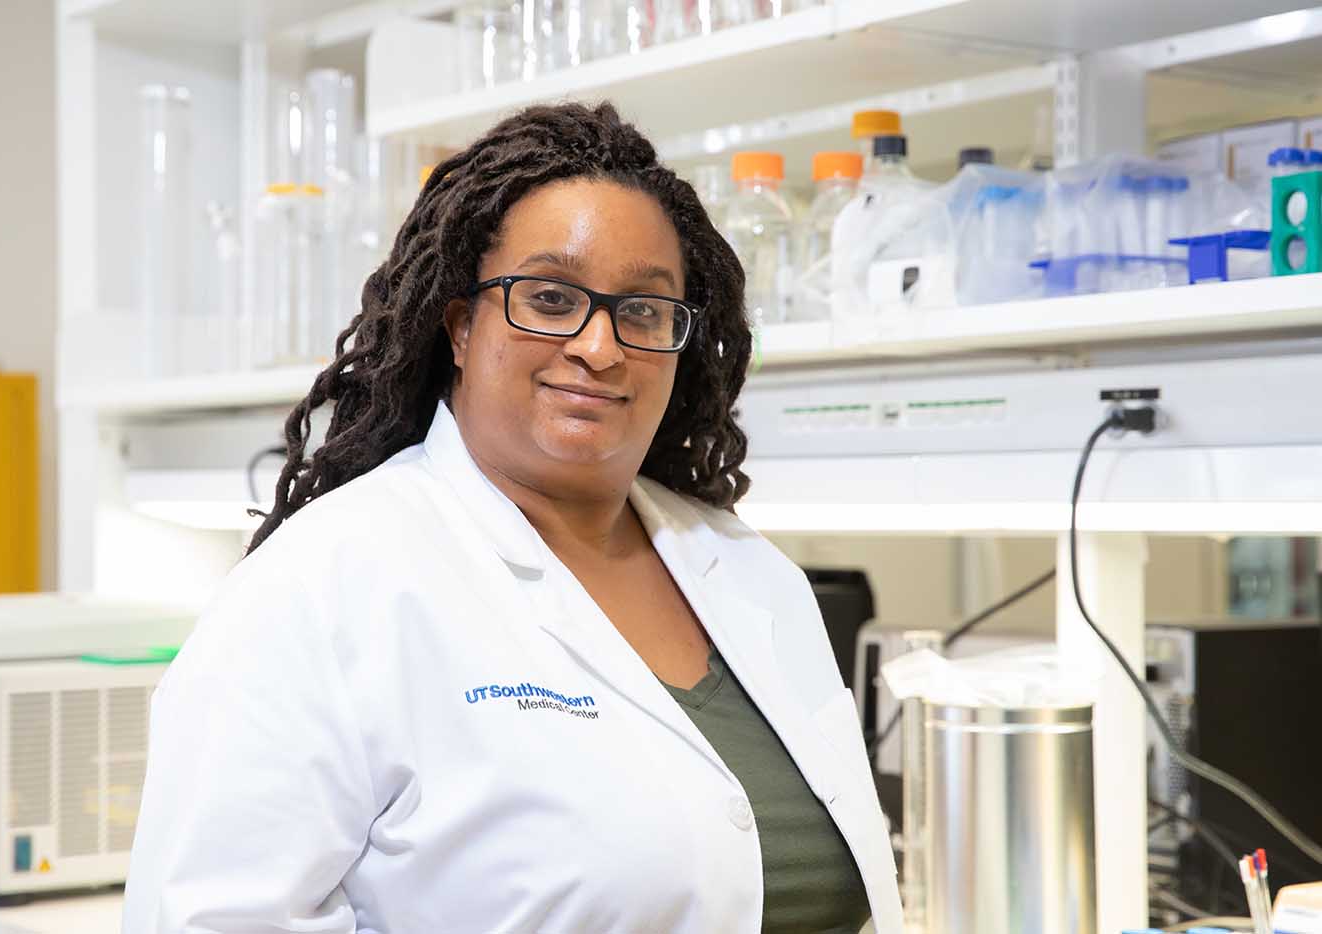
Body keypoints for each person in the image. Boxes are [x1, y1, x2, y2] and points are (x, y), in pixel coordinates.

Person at [123, 102, 902, 934]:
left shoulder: (750, 574)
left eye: (642, 310)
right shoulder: (322, 588)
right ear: (460, 325)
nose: (600, 347)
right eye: (551, 296)